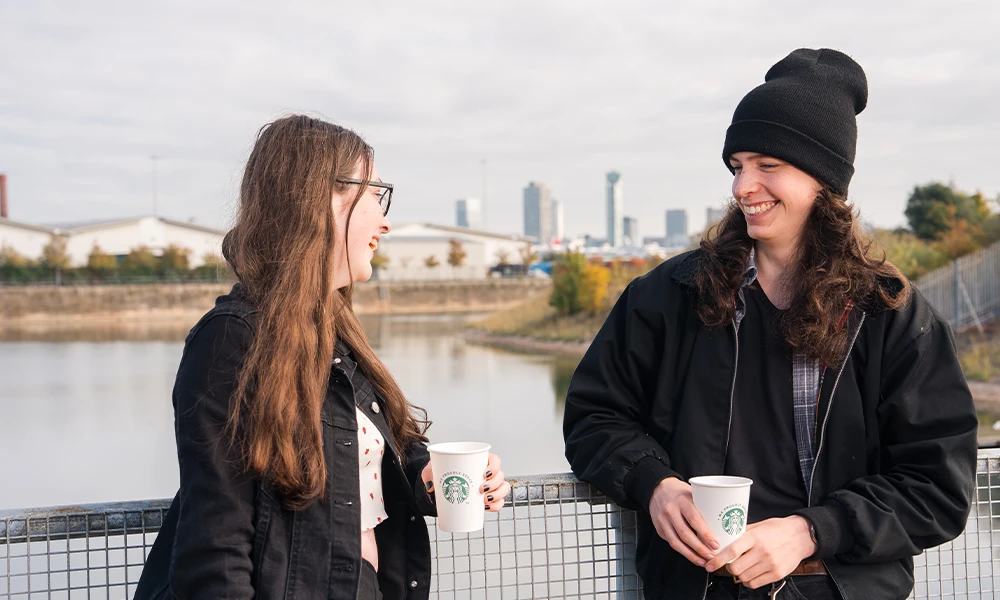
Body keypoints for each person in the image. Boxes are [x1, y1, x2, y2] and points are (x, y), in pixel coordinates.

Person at [563, 49, 977, 600]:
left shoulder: (891, 315)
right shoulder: (666, 296)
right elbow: (595, 415)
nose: (741, 187)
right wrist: (653, 483)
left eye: (767, 165)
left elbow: (937, 485)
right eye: (737, 166)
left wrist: (811, 531)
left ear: (822, 178)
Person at [133, 115, 510, 600]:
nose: (385, 220)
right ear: (322, 198)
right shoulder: (231, 340)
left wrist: (427, 476)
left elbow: (359, 463)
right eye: (376, 194)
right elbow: (216, 546)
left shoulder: (330, 329)